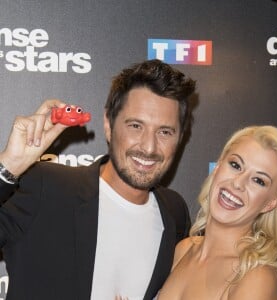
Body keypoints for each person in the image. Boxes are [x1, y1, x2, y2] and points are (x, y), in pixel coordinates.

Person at [0, 59, 196, 300]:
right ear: (108, 124)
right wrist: (8, 165)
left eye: (165, 132)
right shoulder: (47, 187)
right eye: (136, 126)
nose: (149, 146)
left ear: (181, 137)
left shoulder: (174, 212)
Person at [157, 125, 277, 300]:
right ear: (217, 167)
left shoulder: (256, 277)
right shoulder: (184, 250)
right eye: (235, 165)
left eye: (258, 180)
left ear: (269, 204)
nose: (238, 183)